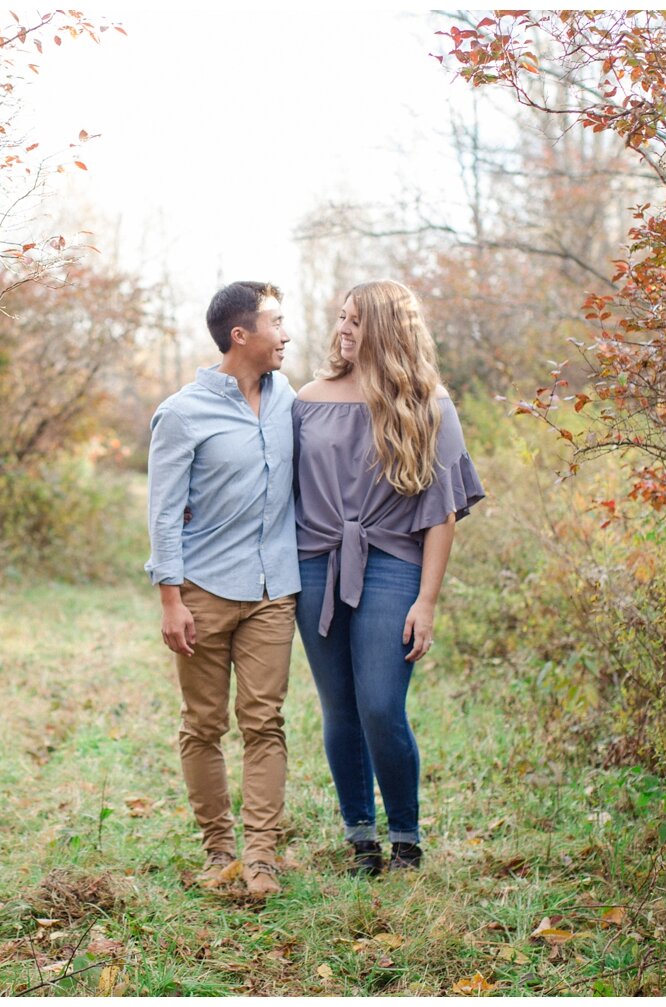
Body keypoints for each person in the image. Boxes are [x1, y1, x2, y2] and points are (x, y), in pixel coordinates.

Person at [293, 279, 484, 876]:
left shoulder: (428, 402)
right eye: (341, 318)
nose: (343, 329)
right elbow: (272, 480)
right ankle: (361, 841)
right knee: (340, 710)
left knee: (380, 705)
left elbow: (443, 512)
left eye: (356, 321)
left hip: (393, 564)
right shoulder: (307, 397)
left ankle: (406, 834)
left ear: (387, 330)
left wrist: (427, 602)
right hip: (317, 562)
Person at [144, 281, 297, 899]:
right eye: (277, 323)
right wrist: (171, 599)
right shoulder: (182, 413)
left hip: (273, 590)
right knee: (204, 724)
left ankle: (260, 858)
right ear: (242, 335)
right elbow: (163, 511)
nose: (287, 334)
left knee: (265, 723)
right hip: (203, 590)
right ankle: (218, 852)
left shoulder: (290, 397)